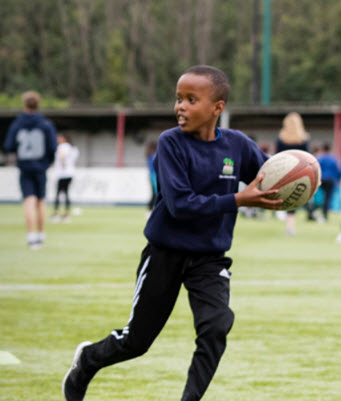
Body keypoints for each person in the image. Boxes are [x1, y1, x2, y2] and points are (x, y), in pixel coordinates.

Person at [62, 65, 282, 401]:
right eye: (178, 98)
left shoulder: (237, 145)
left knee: (216, 327)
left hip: (210, 258)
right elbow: (181, 204)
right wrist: (240, 198)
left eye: (191, 99)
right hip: (166, 252)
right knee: (137, 342)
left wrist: (297, 183)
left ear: (217, 108)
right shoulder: (170, 143)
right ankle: (88, 360)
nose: (180, 106)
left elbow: (273, 176)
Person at [3, 90, 57, 250]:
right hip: (40, 166)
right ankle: (41, 236)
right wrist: (47, 162)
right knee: (41, 201)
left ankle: (31, 236)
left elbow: (9, 145)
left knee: (28, 200)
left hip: (25, 166)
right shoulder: (46, 124)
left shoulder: (17, 124)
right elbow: (52, 146)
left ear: (24, 104)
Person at [275, 112, 311, 234]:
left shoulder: (281, 138)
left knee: (284, 196)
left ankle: (287, 221)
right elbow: (308, 158)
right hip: (299, 172)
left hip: (283, 171)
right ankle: (290, 224)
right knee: (294, 197)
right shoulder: (304, 139)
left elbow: (276, 156)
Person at [50, 133, 79, 223]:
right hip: (69, 173)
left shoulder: (63, 146)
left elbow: (62, 156)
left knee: (59, 194)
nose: (57, 139)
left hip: (63, 174)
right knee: (65, 194)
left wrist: (62, 163)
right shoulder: (72, 148)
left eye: (59, 138)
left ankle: (56, 214)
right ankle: (66, 214)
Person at [315, 143, 340, 224]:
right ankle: (325, 215)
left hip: (321, 180)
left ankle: (314, 212)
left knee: (318, 197)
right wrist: (337, 180)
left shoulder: (319, 158)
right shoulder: (333, 159)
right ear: (330, 149)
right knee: (327, 198)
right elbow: (337, 171)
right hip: (330, 180)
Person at [145, 138, 158, 213]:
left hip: (151, 175)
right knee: (156, 193)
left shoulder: (149, 155)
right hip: (154, 175)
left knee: (153, 193)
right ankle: (152, 209)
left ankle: (150, 209)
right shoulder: (154, 156)